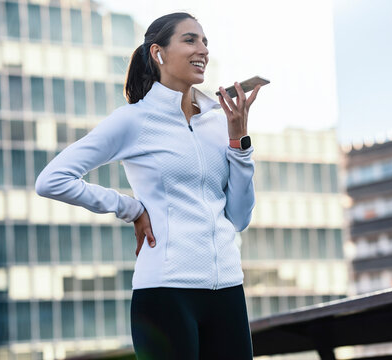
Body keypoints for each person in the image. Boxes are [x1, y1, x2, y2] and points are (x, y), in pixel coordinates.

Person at [35, 12, 262, 360]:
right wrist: (131, 208)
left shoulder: (219, 122)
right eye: (190, 40)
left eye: (205, 42)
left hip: (228, 289)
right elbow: (52, 180)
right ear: (158, 53)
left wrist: (238, 143)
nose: (202, 49)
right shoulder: (134, 120)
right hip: (165, 292)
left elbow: (239, 217)